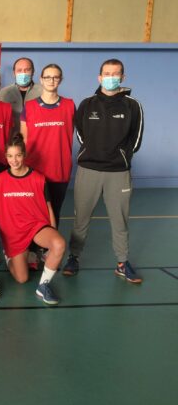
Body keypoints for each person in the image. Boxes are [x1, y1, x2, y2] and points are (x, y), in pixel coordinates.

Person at [63, 58, 144, 283]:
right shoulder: (87, 104)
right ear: (99, 77)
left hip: (118, 172)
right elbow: (80, 134)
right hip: (88, 169)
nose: (111, 77)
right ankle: (73, 257)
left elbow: (136, 140)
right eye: (107, 74)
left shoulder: (133, 105)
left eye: (115, 74)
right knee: (81, 218)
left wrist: (120, 157)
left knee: (120, 220)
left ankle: (122, 263)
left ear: (123, 77)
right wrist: (93, 151)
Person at [0, 134, 65, 305]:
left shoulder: (38, 178)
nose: (14, 160)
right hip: (13, 231)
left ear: (24, 155)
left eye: (18, 155)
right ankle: (9, 257)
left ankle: (43, 286)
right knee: (22, 279)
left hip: (36, 226)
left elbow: (48, 208)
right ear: (5, 157)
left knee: (59, 244)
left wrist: (52, 234)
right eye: (10, 156)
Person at [20, 64, 75, 227]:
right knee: (32, 212)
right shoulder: (29, 107)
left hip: (59, 170)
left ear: (60, 80)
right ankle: (31, 243)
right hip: (34, 170)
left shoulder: (70, 105)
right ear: (41, 79)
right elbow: (24, 140)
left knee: (53, 213)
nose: (51, 80)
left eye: (55, 77)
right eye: (47, 77)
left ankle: (50, 243)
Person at [0, 57, 43, 133]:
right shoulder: (3, 93)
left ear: (33, 72)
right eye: (19, 70)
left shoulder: (43, 92)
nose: (23, 73)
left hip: (36, 137)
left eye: (27, 70)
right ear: (14, 73)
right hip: (12, 138)